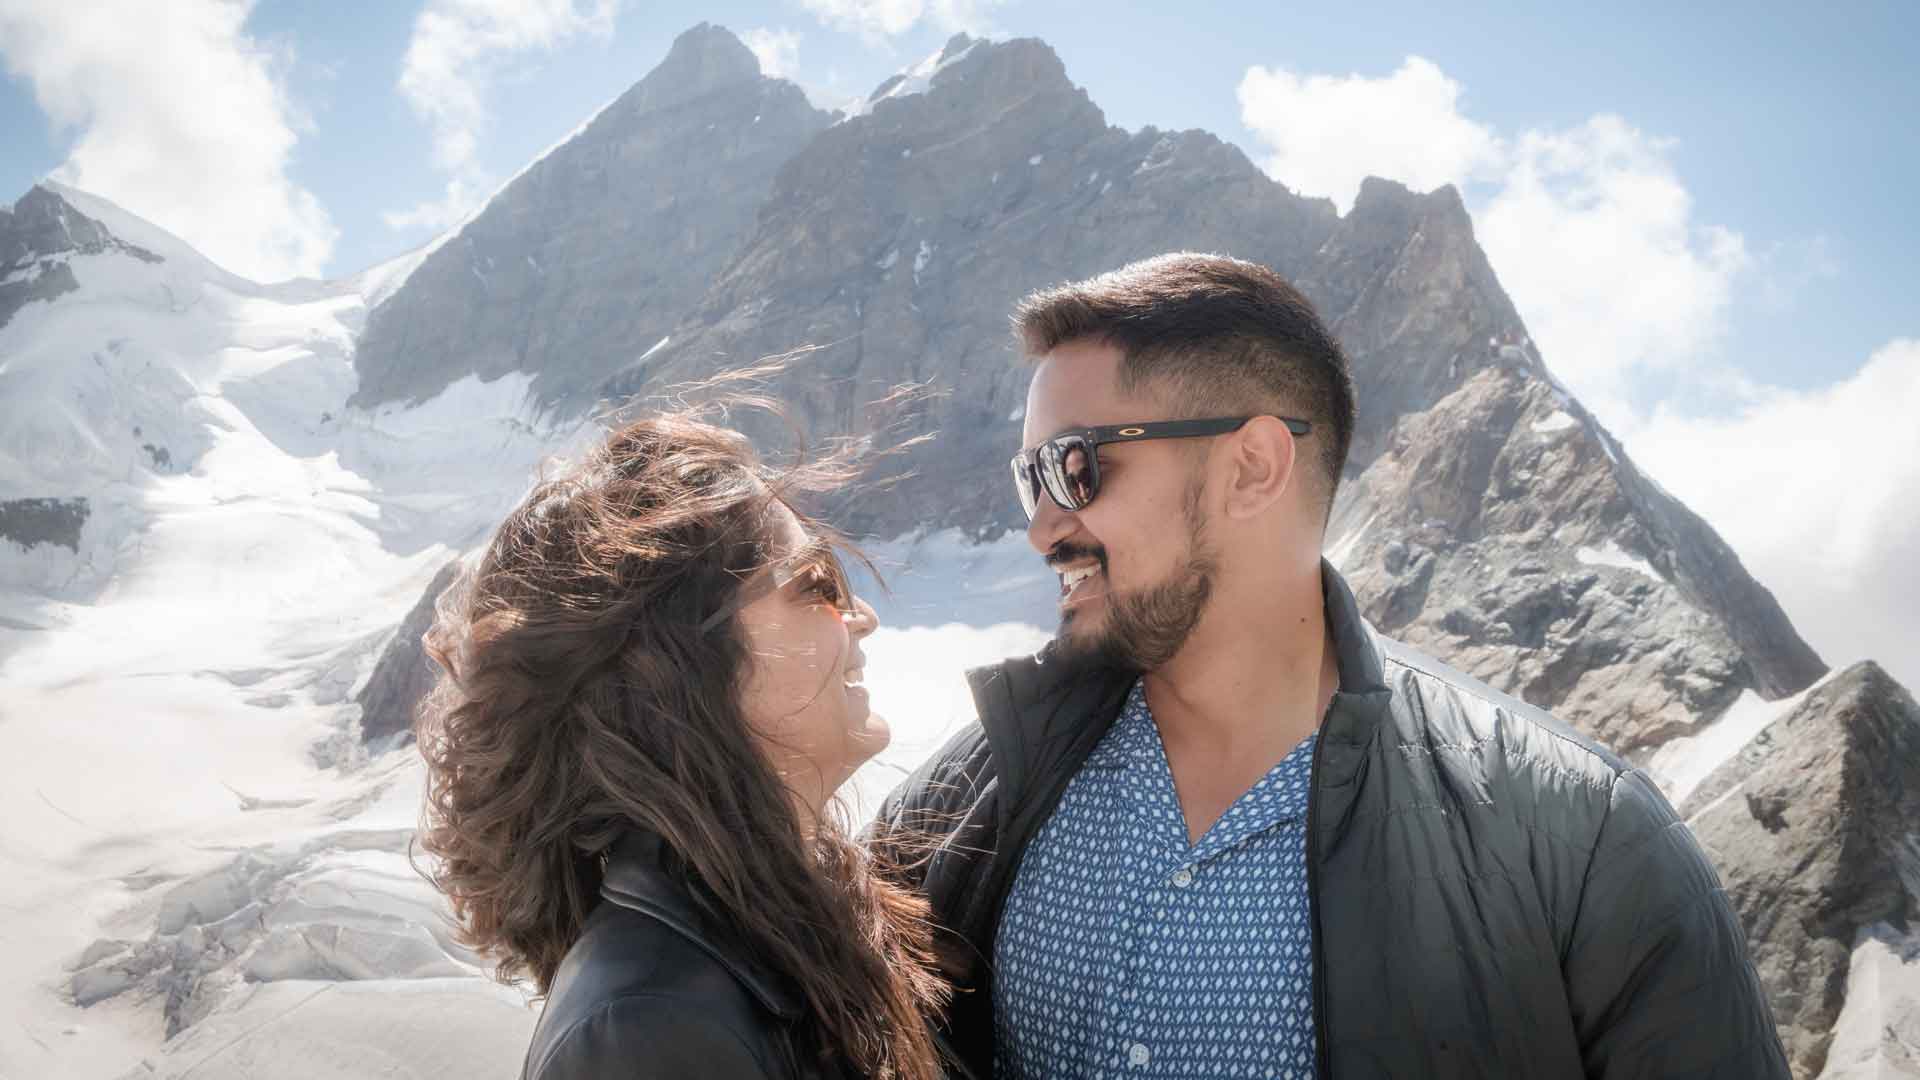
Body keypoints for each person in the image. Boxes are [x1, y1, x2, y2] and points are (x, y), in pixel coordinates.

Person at [870, 253, 1789, 1078]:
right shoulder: (967, 795)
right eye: (1028, 479)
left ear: (1252, 468)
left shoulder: (1581, 840)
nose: (1040, 527)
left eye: (1073, 469)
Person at [416, 412, 948, 1079]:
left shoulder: (771, 931)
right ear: (680, 668)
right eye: (817, 584)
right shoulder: (648, 1030)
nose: (860, 617)